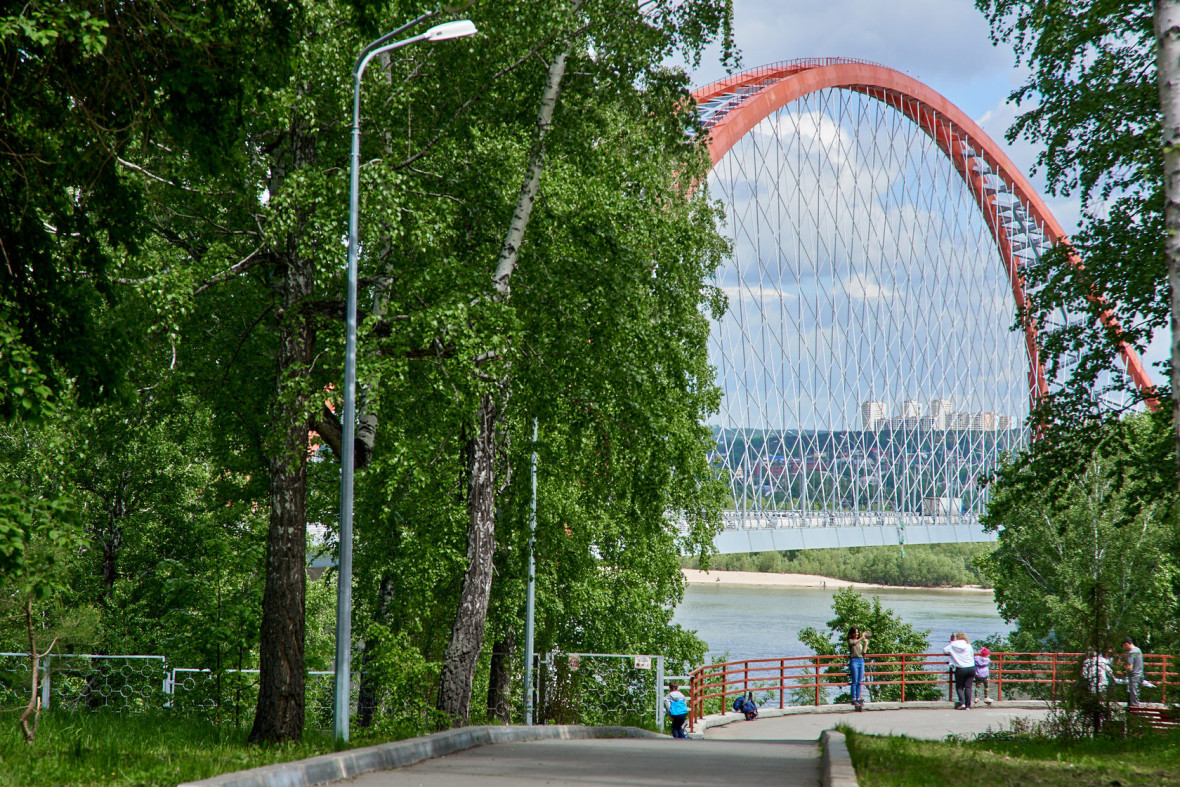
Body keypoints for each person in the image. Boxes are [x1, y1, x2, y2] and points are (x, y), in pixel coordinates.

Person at [943, 632, 975, 709]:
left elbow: (945, 651)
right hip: (971, 667)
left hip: (961, 668)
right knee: (968, 687)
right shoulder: (968, 645)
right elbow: (972, 655)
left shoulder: (953, 645)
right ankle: (968, 706)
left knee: (959, 687)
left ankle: (962, 703)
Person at [847, 626, 870, 711]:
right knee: (855, 681)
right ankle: (853, 699)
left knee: (860, 681)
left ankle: (858, 698)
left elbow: (863, 653)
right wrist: (862, 637)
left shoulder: (859, 642)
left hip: (861, 660)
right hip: (854, 660)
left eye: (857, 632)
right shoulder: (851, 641)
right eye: (855, 632)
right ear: (852, 633)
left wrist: (866, 643)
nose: (856, 634)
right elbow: (853, 643)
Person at [1123, 637, 1144, 707]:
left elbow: (1130, 668)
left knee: (1133, 698)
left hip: (1134, 677)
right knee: (1137, 695)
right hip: (1140, 675)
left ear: (1126, 644)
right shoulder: (1138, 650)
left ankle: (1134, 713)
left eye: (1123, 645)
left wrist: (1123, 665)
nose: (1124, 648)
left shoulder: (1131, 653)